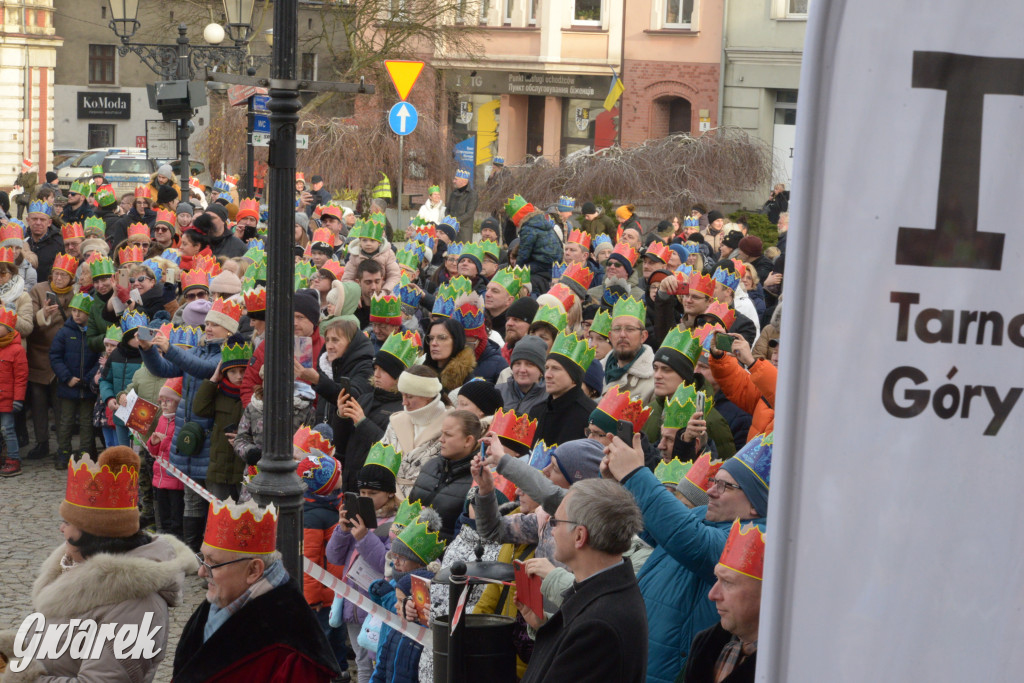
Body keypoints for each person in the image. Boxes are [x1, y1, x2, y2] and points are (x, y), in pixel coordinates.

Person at [0, 446, 194, 679]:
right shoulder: (75, 567)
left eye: (68, 523)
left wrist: (22, 678)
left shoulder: (137, 606)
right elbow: (62, 643)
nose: (61, 529)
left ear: (95, 534)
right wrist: (11, 649)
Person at [602, 431, 771, 682]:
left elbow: (692, 540)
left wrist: (635, 475)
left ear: (755, 505)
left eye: (725, 486)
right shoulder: (704, 514)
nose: (711, 491)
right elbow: (650, 525)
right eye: (715, 480)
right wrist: (618, 484)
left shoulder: (759, 538)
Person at [173, 498, 341, 681]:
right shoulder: (219, 600)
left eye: (214, 563)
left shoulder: (291, 649)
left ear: (254, 570)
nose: (201, 572)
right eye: (203, 558)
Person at [516, 478, 648, 683]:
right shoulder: (599, 591)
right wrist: (545, 627)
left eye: (556, 522)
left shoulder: (600, 625)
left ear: (579, 536)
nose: (552, 530)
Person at [682, 521, 765, 683]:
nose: (712, 595)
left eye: (728, 582)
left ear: (768, 592)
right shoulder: (705, 643)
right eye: (717, 579)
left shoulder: (794, 666)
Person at [27, 252, 78, 462]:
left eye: (63, 276)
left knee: (61, 405)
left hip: (63, 359)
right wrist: (44, 314)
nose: (58, 279)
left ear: (71, 279)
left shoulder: (76, 295)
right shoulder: (38, 290)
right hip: (39, 353)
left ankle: (62, 447)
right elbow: (29, 319)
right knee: (38, 402)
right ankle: (41, 442)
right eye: (55, 274)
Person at [192, 336, 251, 502]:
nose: (238, 376)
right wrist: (213, 380)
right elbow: (199, 408)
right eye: (232, 371)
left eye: (243, 370)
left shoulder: (253, 397)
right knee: (221, 517)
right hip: (220, 469)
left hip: (243, 470)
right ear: (224, 372)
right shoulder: (219, 394)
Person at [408, 410, 480, 542]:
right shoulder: (430, 465)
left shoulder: (478, 480)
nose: (441, 439)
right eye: (442, 433)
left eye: (448, 435)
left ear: (468, 440)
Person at [380, 365, 450, 497]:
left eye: (410, 397)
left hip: (428, 501)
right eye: (402, 395)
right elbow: (380, 463)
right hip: (389, 500)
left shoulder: (451, 425)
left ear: (427, 396)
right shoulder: (396, 422)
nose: (404, 402)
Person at [50, 292, 99, 465]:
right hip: (68, 385)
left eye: (81, 311)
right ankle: (63, 452)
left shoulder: (94, 333)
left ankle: (85, 454)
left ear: (89, 313)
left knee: (87, 422)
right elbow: (55, 357)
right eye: (74, 310)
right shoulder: (64, 332)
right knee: (66, 421)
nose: (76, 314)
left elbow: (100, 359)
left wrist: (89, 378)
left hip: (87, 386)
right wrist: (67, 377)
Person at [529, 331, 597, 446]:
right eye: (547, 368)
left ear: (574, 377)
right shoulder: (537, 410)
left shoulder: (590, 415)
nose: (547, 375)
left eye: (555, 368)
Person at [149, 377, 184, 538]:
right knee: (163, 513)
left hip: (174, 478)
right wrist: (154, 442)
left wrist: (163, 443)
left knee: (175, 514)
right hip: (160, 477)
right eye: (162, 400)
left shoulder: (180, 421)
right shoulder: (162, 419)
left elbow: (178, 447)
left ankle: (175, 538)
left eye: (168, 401)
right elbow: (153, 450)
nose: (163, 404)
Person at [603, 297, 656, 403]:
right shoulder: (597, 371)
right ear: (610, 336)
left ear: (643, 336)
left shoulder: (654, 381)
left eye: (630, 329)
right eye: (617, 329)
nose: (622, 335)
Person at [507, 195, 562, 292]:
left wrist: (516, 270)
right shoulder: (542, 222)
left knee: (524, 272)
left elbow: (524, 252)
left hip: (541, 262)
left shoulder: (528, 228)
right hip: (554, 262)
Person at [0, 305, 28, 477]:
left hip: (8, 399)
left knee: (7, 429)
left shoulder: (17, 350)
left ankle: (13, 459)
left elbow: (21, 377)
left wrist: (18, 399)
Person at [26, 200, 64, 282]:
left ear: (49, 222)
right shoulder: (23, 243)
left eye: (42, 220)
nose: (38, 223)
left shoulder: (59, 244)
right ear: (28, 220)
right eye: (34, 219)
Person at [446, 169, 478, 242]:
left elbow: (469, 213)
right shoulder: (453, 193)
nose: (453, 181)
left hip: (464, 231)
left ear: (463, 181)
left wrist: (455, 221)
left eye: (456, 179)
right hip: (452, 229)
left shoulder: (472, 194)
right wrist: (448, 220)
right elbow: (447, 209)